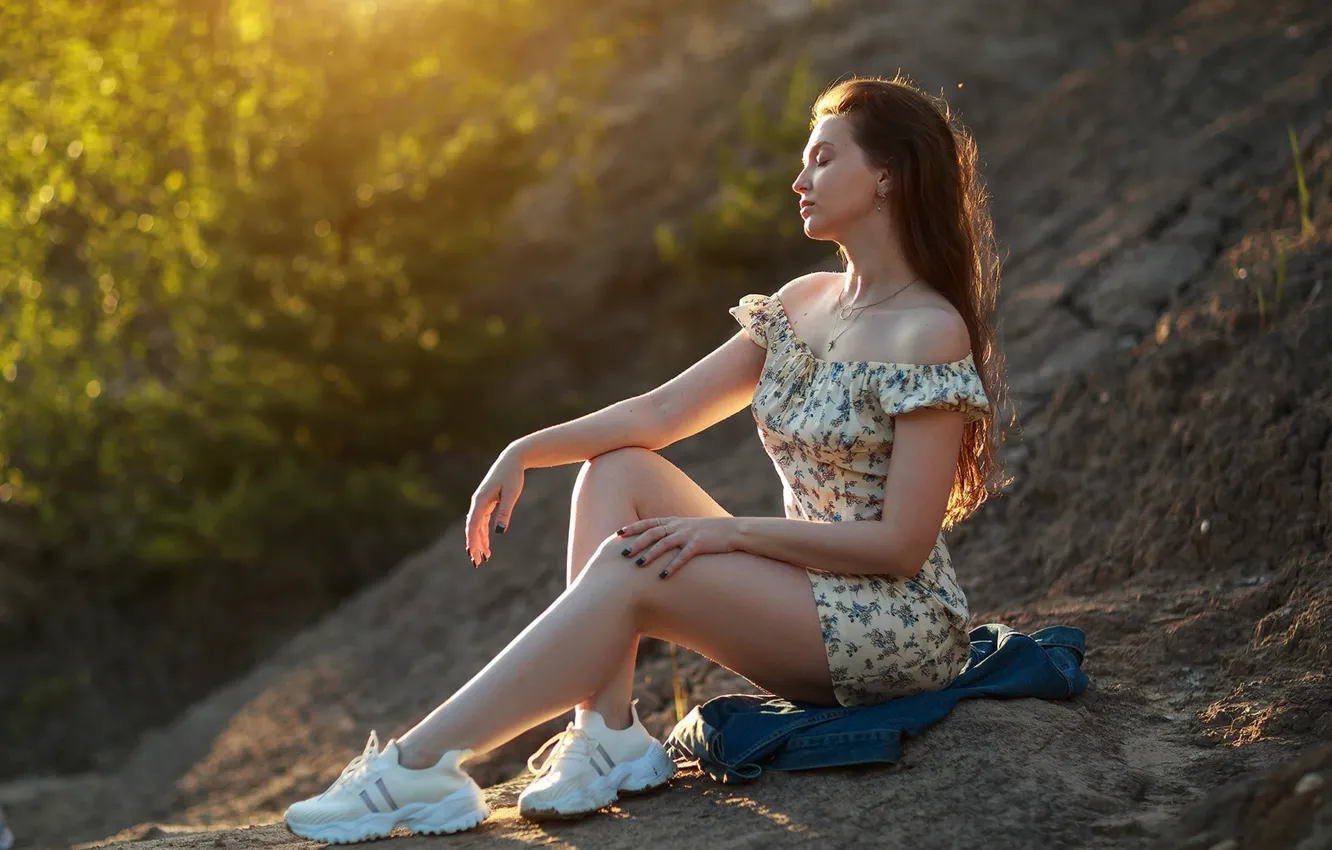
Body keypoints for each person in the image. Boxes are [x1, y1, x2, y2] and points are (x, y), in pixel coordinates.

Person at [283, 73, 1007, 843]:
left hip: (892, 629)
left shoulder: (928, 333)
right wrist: (525, 450)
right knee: (617, 468)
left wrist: (730, 534)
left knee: (634, 561)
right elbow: (659, 414)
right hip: (802, 591)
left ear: (888, 176)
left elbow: (901, 546)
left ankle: (416, 765)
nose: (799, 180)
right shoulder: (803, 303)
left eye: (824, 160)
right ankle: (607, 734)